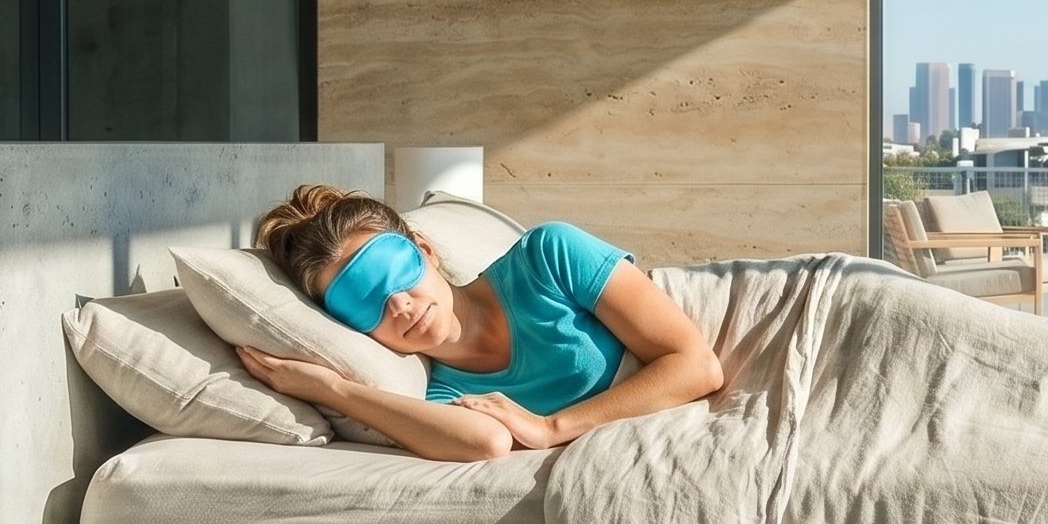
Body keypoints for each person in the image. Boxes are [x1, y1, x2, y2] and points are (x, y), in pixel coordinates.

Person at [238, 185, 723, 462]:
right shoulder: (442, 396)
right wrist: (333, 390)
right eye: (363, 301)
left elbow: (698, 364)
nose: (400, 307)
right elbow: (488, 441)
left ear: (424, 250)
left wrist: (552, 427)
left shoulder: (548, 255)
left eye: (395, 274)